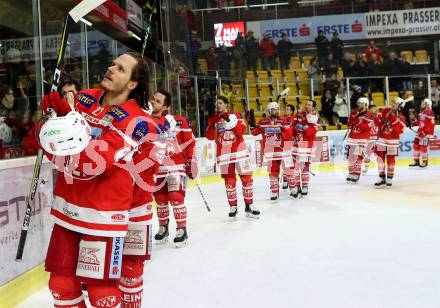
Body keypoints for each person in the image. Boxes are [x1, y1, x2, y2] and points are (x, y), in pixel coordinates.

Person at [39, 52, 156, 308]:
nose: (111, 68)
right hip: (67, 208)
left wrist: (55, 135)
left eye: (121, 69)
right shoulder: (84, 98)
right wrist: (55, 119)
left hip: (103, 215)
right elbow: (57, 138)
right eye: (113, 63)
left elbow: (90, 164)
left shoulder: (138, 122)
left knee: (102, 293)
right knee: (61, 287)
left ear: (132, 84)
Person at [149, 89, 197, 246]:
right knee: (161, 200)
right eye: (153, 99)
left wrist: (192, 162)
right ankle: (163, 228)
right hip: (157, 167)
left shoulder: (180, 121)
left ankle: (182, 229)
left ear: (166, 107)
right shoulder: (148, 121)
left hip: (176, 165)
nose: (153, 102)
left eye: (157, 100)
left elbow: (190, 143)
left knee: (176, 197)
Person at [205, 96, 259, 218]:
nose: (218, 105)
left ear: (226, 104)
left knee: (247, 179)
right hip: (224, 155)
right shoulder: (215, 119)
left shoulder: (236, 115)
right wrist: (211, 122)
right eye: (216, 103)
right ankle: (233, 206)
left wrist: (229, 120)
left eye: (220, 103)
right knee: (229, 182)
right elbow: (209, 136)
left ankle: (249, 205)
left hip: (240, 153)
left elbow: (240, 132)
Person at [251, 101, 292, 200]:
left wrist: (279, 131)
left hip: (283, 149)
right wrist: (252, 124)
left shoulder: (283, 120)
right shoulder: (263, 121)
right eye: (274, 109)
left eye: (278, 109)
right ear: (269, 111)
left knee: (288, 169)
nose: (277, 111)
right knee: (273, 171)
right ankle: (274, 191)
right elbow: (254, 133)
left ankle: (293, 188)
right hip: (270, 151)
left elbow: (289, 134)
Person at [374, 97, 406, 187]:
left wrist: (394, 120)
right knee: (380, 158)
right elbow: (377, 122)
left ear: (400, 106)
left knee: (391, 159)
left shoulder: (402, 117)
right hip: (382, 139)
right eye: (393, 103)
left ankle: (389, 177)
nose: (393, 104)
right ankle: (381, 177)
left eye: (395, 103)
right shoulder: (386, 111)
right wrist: (378, 118)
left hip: (393, 141)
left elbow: (399, 131)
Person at [290, 100, 319, 197]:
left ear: (313, 107)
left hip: (307, 145)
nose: (307, 106)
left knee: (305, 167)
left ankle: (305, 186)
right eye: (306, 104)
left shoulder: (315, 117)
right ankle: (297, 186)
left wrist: (304, 126)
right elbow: (293, 127)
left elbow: (311, 132)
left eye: (309, 105)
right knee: (295, 166)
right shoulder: (299, 114)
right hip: (297, 144)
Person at [346, 97, 373, 183]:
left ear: (365, 104)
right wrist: (352, 120)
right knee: (351, 156)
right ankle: (351, 172)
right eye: (358, 103)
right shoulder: (354, 112)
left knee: (358, 155)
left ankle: (356, 173)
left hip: (362, 138)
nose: (358, 104)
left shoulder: (370, 114)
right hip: (352, 136)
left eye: (361, 103)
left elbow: (367, 127)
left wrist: (359, 123)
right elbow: (349, 124)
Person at [409, 98, 436, 168]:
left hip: (426, 134)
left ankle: (425, 162)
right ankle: (416, 161)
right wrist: (414, 122)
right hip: (420, 132)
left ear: (427, 105)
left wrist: (425, 132)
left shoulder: (431, 112)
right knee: (415, 145)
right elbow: (420, 122)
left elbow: (432, 125)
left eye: (423, 103)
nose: (421, 104)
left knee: (423, 147)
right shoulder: (421, 112)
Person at [282, 104, 296, 189]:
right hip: (283, 143)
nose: (285, 110)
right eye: (285, 109)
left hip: (292, 143)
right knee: (284, 162)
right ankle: (285, 179)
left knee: (291, 163)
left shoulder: (294, 120)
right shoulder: (281, 118)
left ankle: (291, 179)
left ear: (291, 111)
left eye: (287, 109)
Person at [362, 104, 378, 174]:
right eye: (374, 108)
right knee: (367, 155)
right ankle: (365, 168)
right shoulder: (365, 117)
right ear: (370, 109)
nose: (375, 110)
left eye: (375, 108)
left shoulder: (378, 116)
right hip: (369, 139)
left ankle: (381, 168)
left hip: (377, 139)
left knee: (379, 155)